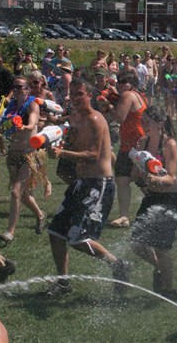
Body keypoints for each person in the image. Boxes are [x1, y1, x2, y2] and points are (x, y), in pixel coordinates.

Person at [46, 78, 131, 296]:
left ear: (89, 95)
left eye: (79, 94)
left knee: (79, 238)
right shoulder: (75, 117)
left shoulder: (95, 119)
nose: (75, 98)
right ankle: (63, 283)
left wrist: (62, 153)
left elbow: (93, 155)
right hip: (81, 183)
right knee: (55, 232)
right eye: (72, 94)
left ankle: (118, 265)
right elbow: (73, 145)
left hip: (99, 184)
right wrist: (55, 142)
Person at [130, 106, 177, 300]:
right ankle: (160, 269)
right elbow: (136, 172)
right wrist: (138, 176)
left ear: (159, 124)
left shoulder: (169, 144)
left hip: (169, 199)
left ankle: (169, 290)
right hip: (151, 197)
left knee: (161, 248)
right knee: (137, 244)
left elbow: (170, 178)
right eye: (141, 121)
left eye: (147, 121)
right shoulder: (142, 142)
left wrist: (154, 180)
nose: (143, 125)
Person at [0, 76, 46, 242]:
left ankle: (10, 231)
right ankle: (40, 215)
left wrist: (24, 126)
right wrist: (6, 126)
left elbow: (33, 123)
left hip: (29, 155)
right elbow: (3, 127)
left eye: (20, 87)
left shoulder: (32, 104)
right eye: (15, 87)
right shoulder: (11, 107)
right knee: (23, 195)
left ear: (27, 89)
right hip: (13, 154)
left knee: (15, 191)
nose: (17, 90)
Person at [103, 71, 148, 227]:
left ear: (132, 83)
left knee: (142, 181)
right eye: (119, 82)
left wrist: (108, 105)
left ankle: (162, 206)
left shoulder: (128, 95)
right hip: (129, 144)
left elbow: (120, 117)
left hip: (137, 145)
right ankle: (124, 217)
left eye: (125, 82)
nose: (121, 84)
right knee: (122, 179)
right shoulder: (136, 94)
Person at [0, 48, 14, 155]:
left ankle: (12, 143)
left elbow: (13, 87)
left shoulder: (4, 71)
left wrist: (8, 98)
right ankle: (3, 150)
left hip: (2, 105)